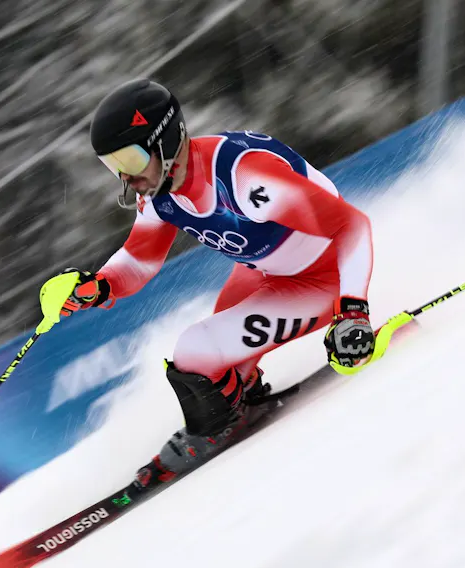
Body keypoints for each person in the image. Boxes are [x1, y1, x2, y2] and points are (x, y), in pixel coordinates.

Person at [40, 78, 375, 495]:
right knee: (214, 370)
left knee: (195, 353)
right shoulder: (161, 192)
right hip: (267, 271)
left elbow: (352, 225)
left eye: (129, 158)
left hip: (323, 277)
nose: (126, 178)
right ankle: (239, 402)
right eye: (114, 166)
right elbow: (138, 261)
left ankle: (221, 423)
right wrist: (97, 287)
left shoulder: (246, 180)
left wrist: (353, 312)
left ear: (164, 141)